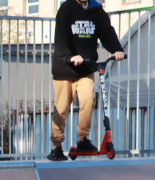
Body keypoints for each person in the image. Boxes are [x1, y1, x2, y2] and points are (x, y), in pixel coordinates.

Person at [47, 0, 125, 162]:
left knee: (88, 101)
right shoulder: (66, 9)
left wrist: (117, 49)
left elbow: (107, 32)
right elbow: (60, 38)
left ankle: (82, 139)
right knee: (61, 108)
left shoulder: (97, 10)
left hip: (86, 68)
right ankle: (57, 146)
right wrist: (69, 57)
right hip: (64, 69)